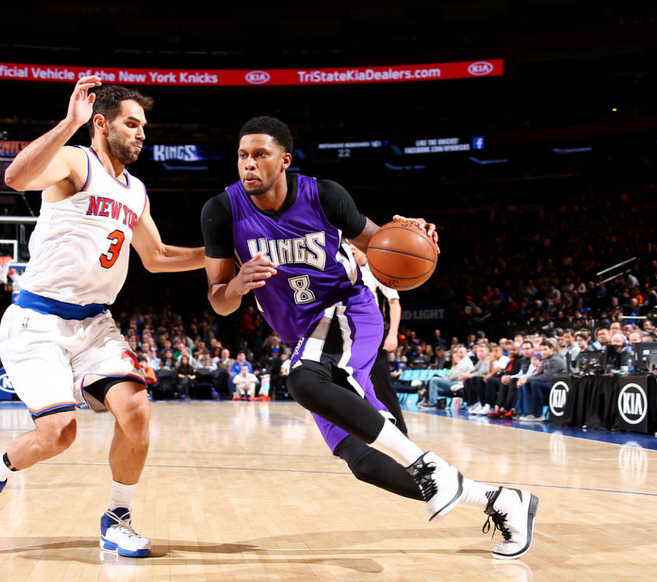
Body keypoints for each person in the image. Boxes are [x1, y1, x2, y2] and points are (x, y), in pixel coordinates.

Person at [200, 115, 537, 559]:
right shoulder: (221, 211)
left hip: (349, 310)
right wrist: (238, 286)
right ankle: (499, 500)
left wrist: (414, 236)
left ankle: (430, 467)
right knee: (367, 461)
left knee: (302, 380)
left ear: (284, 160)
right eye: (242, 155)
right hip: (307, 334)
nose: (248, 164)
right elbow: (218, 298)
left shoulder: (323, 195)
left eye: (260, 155)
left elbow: (383, 245)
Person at [0, 77, 205, 558]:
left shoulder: (136, 191)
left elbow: (158, 257)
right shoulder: (77, 160)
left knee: (136, 411)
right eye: (132, 124)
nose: (141, 134)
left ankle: (117, 518)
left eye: (144, 127)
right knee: (58, 434)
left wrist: (223, 257)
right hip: (37, 320)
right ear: (101, 123)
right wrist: (69, 123)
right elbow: (15, 179)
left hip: (94, 323)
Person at [349, 243, 409, 433]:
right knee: (350, 384)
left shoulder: (375, 273)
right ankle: (359, 432)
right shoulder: (341, 272)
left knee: (382, 384)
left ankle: (400, 432)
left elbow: (395, 303)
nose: (350, 249)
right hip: (347, 332)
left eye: (354, 246)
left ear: (365, 252)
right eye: (347, 245)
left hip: (371, 332)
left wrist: (392, 334)